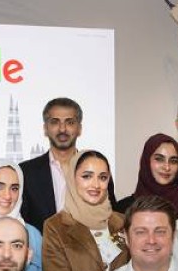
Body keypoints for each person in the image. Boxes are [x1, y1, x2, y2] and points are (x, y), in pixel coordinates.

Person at [42, 150, 129, 271]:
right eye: (87, 176)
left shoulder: (122, 223)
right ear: (72, 178)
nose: (96, 184)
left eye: (102, 177)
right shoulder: (56, 227)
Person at [19, 98, 114, 232]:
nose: (62, 129)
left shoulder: (99, 170)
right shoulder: (26, 172)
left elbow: (110, 215)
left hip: (91, 244)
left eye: (70, 122)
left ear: (79, 128)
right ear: (45, 129)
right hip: (42, 245)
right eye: (55, 122)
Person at [115, 133, 178, 217]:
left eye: (173, 161)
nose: (167, 167)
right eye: (159, 159)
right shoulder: (122, 209)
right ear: (146, 161)